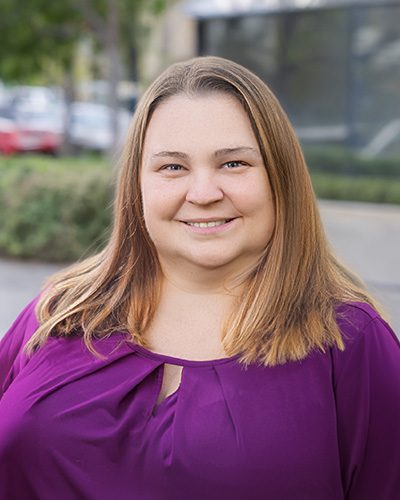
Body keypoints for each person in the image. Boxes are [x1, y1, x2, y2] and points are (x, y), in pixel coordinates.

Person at [0, 56, 399, 500]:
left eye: (233, 164)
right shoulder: (61, 312)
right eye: (172, 167)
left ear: (280, 178)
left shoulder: (349, 342)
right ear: (138, 185)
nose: (204, 193)